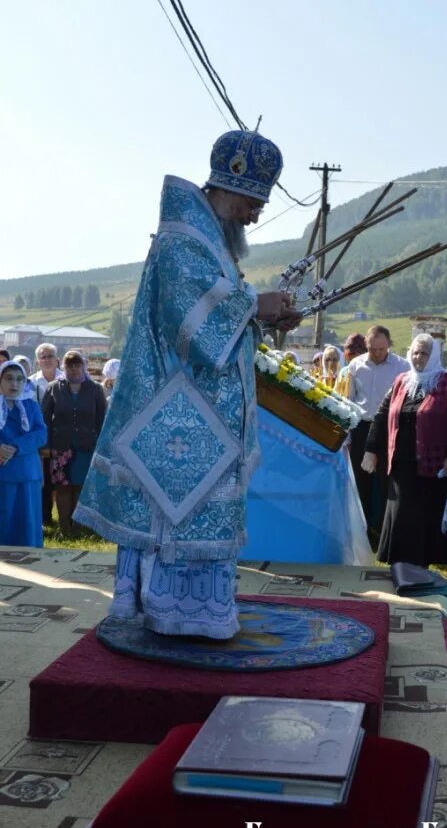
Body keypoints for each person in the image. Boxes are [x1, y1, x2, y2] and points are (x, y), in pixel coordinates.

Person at [72, 129, 301, 639]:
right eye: (252, 201)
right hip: (179, 418)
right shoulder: (181, 242)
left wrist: (261, 318)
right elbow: (190, 325)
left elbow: (220, 319)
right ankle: (175, 615)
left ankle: (190, 614)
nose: (256, 215)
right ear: (226, 187)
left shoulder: (208, 244)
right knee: (176, 516)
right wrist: (251, 304)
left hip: (202, 419)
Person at [363, 334, 447, 567]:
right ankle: (399, 566)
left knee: (423, 520)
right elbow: (381, 415)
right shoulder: (402, 381)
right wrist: (371, 449)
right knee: (401, 517)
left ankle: (419, 569)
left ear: (433, 357)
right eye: (416, 352)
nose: (419, 357)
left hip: (432, 468)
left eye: (424, 353)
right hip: (401, 465)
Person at [346, 325, 409, 544]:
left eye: (381, 349)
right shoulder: (355, 366)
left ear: (389, 345)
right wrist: (348, 435)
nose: (377, 353)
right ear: (366, 345)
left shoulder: (403, 367)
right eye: (373, 349)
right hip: (362, 427)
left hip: (388, 429)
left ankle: (383, 529)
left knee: (386, 478)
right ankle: (362, 531)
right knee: (361, 479)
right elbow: (349, 401)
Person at [42, 350, 107, 537]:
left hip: (87, 447)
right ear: (64, 367)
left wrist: (101, 445)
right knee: (62, 488)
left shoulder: (95, 389)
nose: (74, 369)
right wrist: (45, 445)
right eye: (70, 365)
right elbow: (45, 417)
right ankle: (64, 528)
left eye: (77, 364)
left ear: (83, 366)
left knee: (80, 487)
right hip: (60, 447)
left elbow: (102, 419)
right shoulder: (53, 387)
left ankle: (78, 528)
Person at [0, 361, 48, 546]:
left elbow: (41, 434)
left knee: (28, 521)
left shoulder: (30, 405)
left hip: (27, 472)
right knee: (4, 519)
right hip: (3, 472)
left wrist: (16, 447)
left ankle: (31, 561)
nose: (15, 384)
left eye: (20, 379)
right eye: (9, 379)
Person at [29, 343, 65, 525]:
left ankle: (67, 519)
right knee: (43, 478)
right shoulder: (30, 382)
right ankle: (45, 517)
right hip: (40, 436)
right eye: (43, 357)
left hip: (62, 436)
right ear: (37, 361)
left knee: (63, 478)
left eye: (50, 355)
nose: (47, 359)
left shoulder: (66, 379)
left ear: (57, 358)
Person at [334, 333, 367, 397]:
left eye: (354, 354)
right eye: (349, 355)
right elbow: (336, 393)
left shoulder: (369, 372)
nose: (352, 359)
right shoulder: (343, 372)